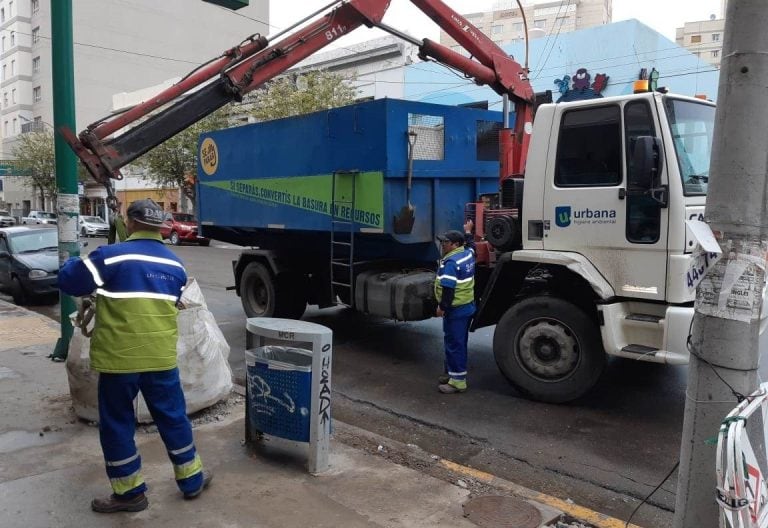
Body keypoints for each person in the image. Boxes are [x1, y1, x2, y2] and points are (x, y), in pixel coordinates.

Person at [58, 199, 212, 513]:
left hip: (120, 360)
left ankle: (130, 494)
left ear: (129, 223)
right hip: (161, 359)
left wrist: (78, 260)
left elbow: (69, 281)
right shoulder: (176, 265)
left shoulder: (109, 257)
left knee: (117, 424)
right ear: (160, 227)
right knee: (173, 418)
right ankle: (192, 479)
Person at [434, 220, 476, 394]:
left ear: (455, 245)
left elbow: (448, 290)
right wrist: (468, 231)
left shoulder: (451, 263)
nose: (442, 245)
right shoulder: (467, 254)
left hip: (455, 309)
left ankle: (458, 382)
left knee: (454, 344)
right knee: (459, 342)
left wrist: (442, 308)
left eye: (446, 243)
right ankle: (451, 373)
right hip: (466, 307)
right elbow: (472, 245)